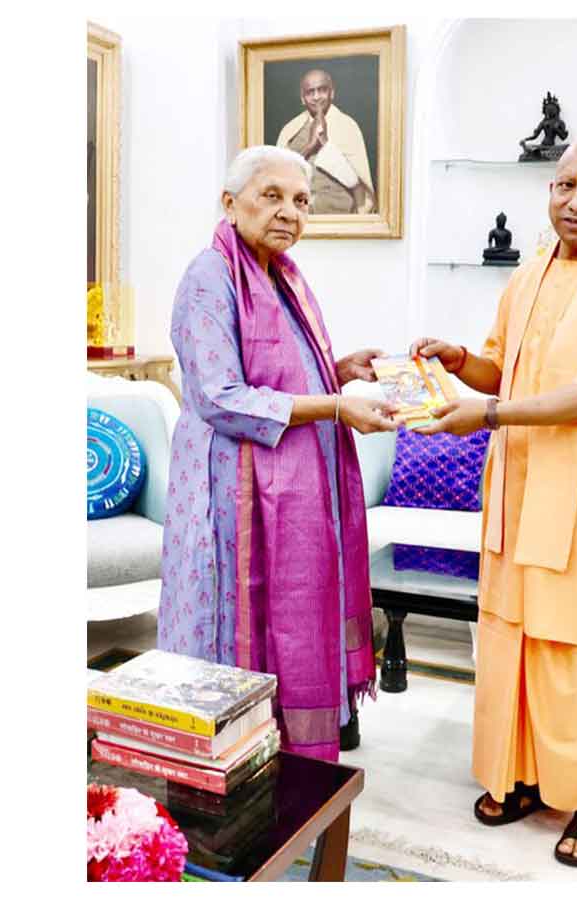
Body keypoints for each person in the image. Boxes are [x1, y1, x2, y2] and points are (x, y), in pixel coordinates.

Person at [409, 137, 577, 867]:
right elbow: (506, 366)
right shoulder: (528, 275)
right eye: (566, 185)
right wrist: (463, 363)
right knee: (517, 637)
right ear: (550, 192)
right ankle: (525, 775)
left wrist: (489, 415)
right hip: (523, 487)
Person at [158, 145, 401, 761]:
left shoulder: (283, 276)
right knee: (233, 626)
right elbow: (221, 396)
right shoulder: (209, 275)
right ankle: (229, 758)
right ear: (229, 202)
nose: (289, 213)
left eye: (301, 201)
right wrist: (335, 408)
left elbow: (288, 374)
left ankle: (287, 742)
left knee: (287, 615)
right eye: (272, 196)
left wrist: (336, 371)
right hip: (226, 492)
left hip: (289, 486)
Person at [275, 68, 376, 214]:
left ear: (332, 93)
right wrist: (310, 146)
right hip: (300, 218)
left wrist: (326, 145)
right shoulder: (290, 130)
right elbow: (279, 179)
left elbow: (354, 182)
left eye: (322, 90)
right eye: (310, 92)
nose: (316, 97)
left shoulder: (348, 126)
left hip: (339, 217)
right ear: (302, 98)